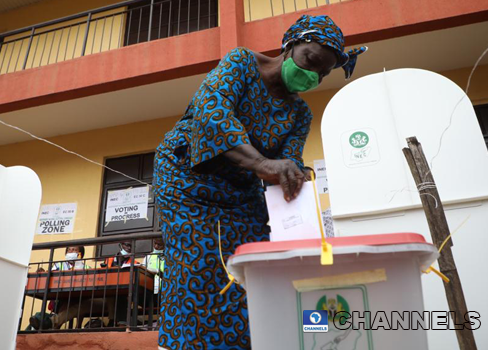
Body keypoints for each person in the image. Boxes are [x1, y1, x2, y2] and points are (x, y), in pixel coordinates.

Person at [153, 15, 366, 349]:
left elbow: (289, 162)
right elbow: (213, 113)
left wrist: (293, 178)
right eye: (310, 61)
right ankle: (185, 344)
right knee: (198, 265)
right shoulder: (240, 63)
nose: (313, 75)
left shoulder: (300, 113)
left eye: (323, 73)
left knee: (254, 266)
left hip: (241, 192)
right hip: (187, 179)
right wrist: (263, 163)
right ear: (290, 44)